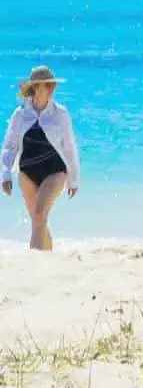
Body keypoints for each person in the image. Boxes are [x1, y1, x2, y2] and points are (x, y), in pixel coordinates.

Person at [1, 66, 81, 251]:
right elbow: (9, 147)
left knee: (39, 215)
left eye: (53, 85)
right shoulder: (20, 114)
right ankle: (48, 259)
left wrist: (73, 179)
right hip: (27, 172)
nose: (52, 88)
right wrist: (5, 175)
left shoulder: (60, 114)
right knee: (38, 221)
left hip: (55, 171)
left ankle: (34, 261)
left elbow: (69, 147)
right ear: (36, 87)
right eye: (48, 85)